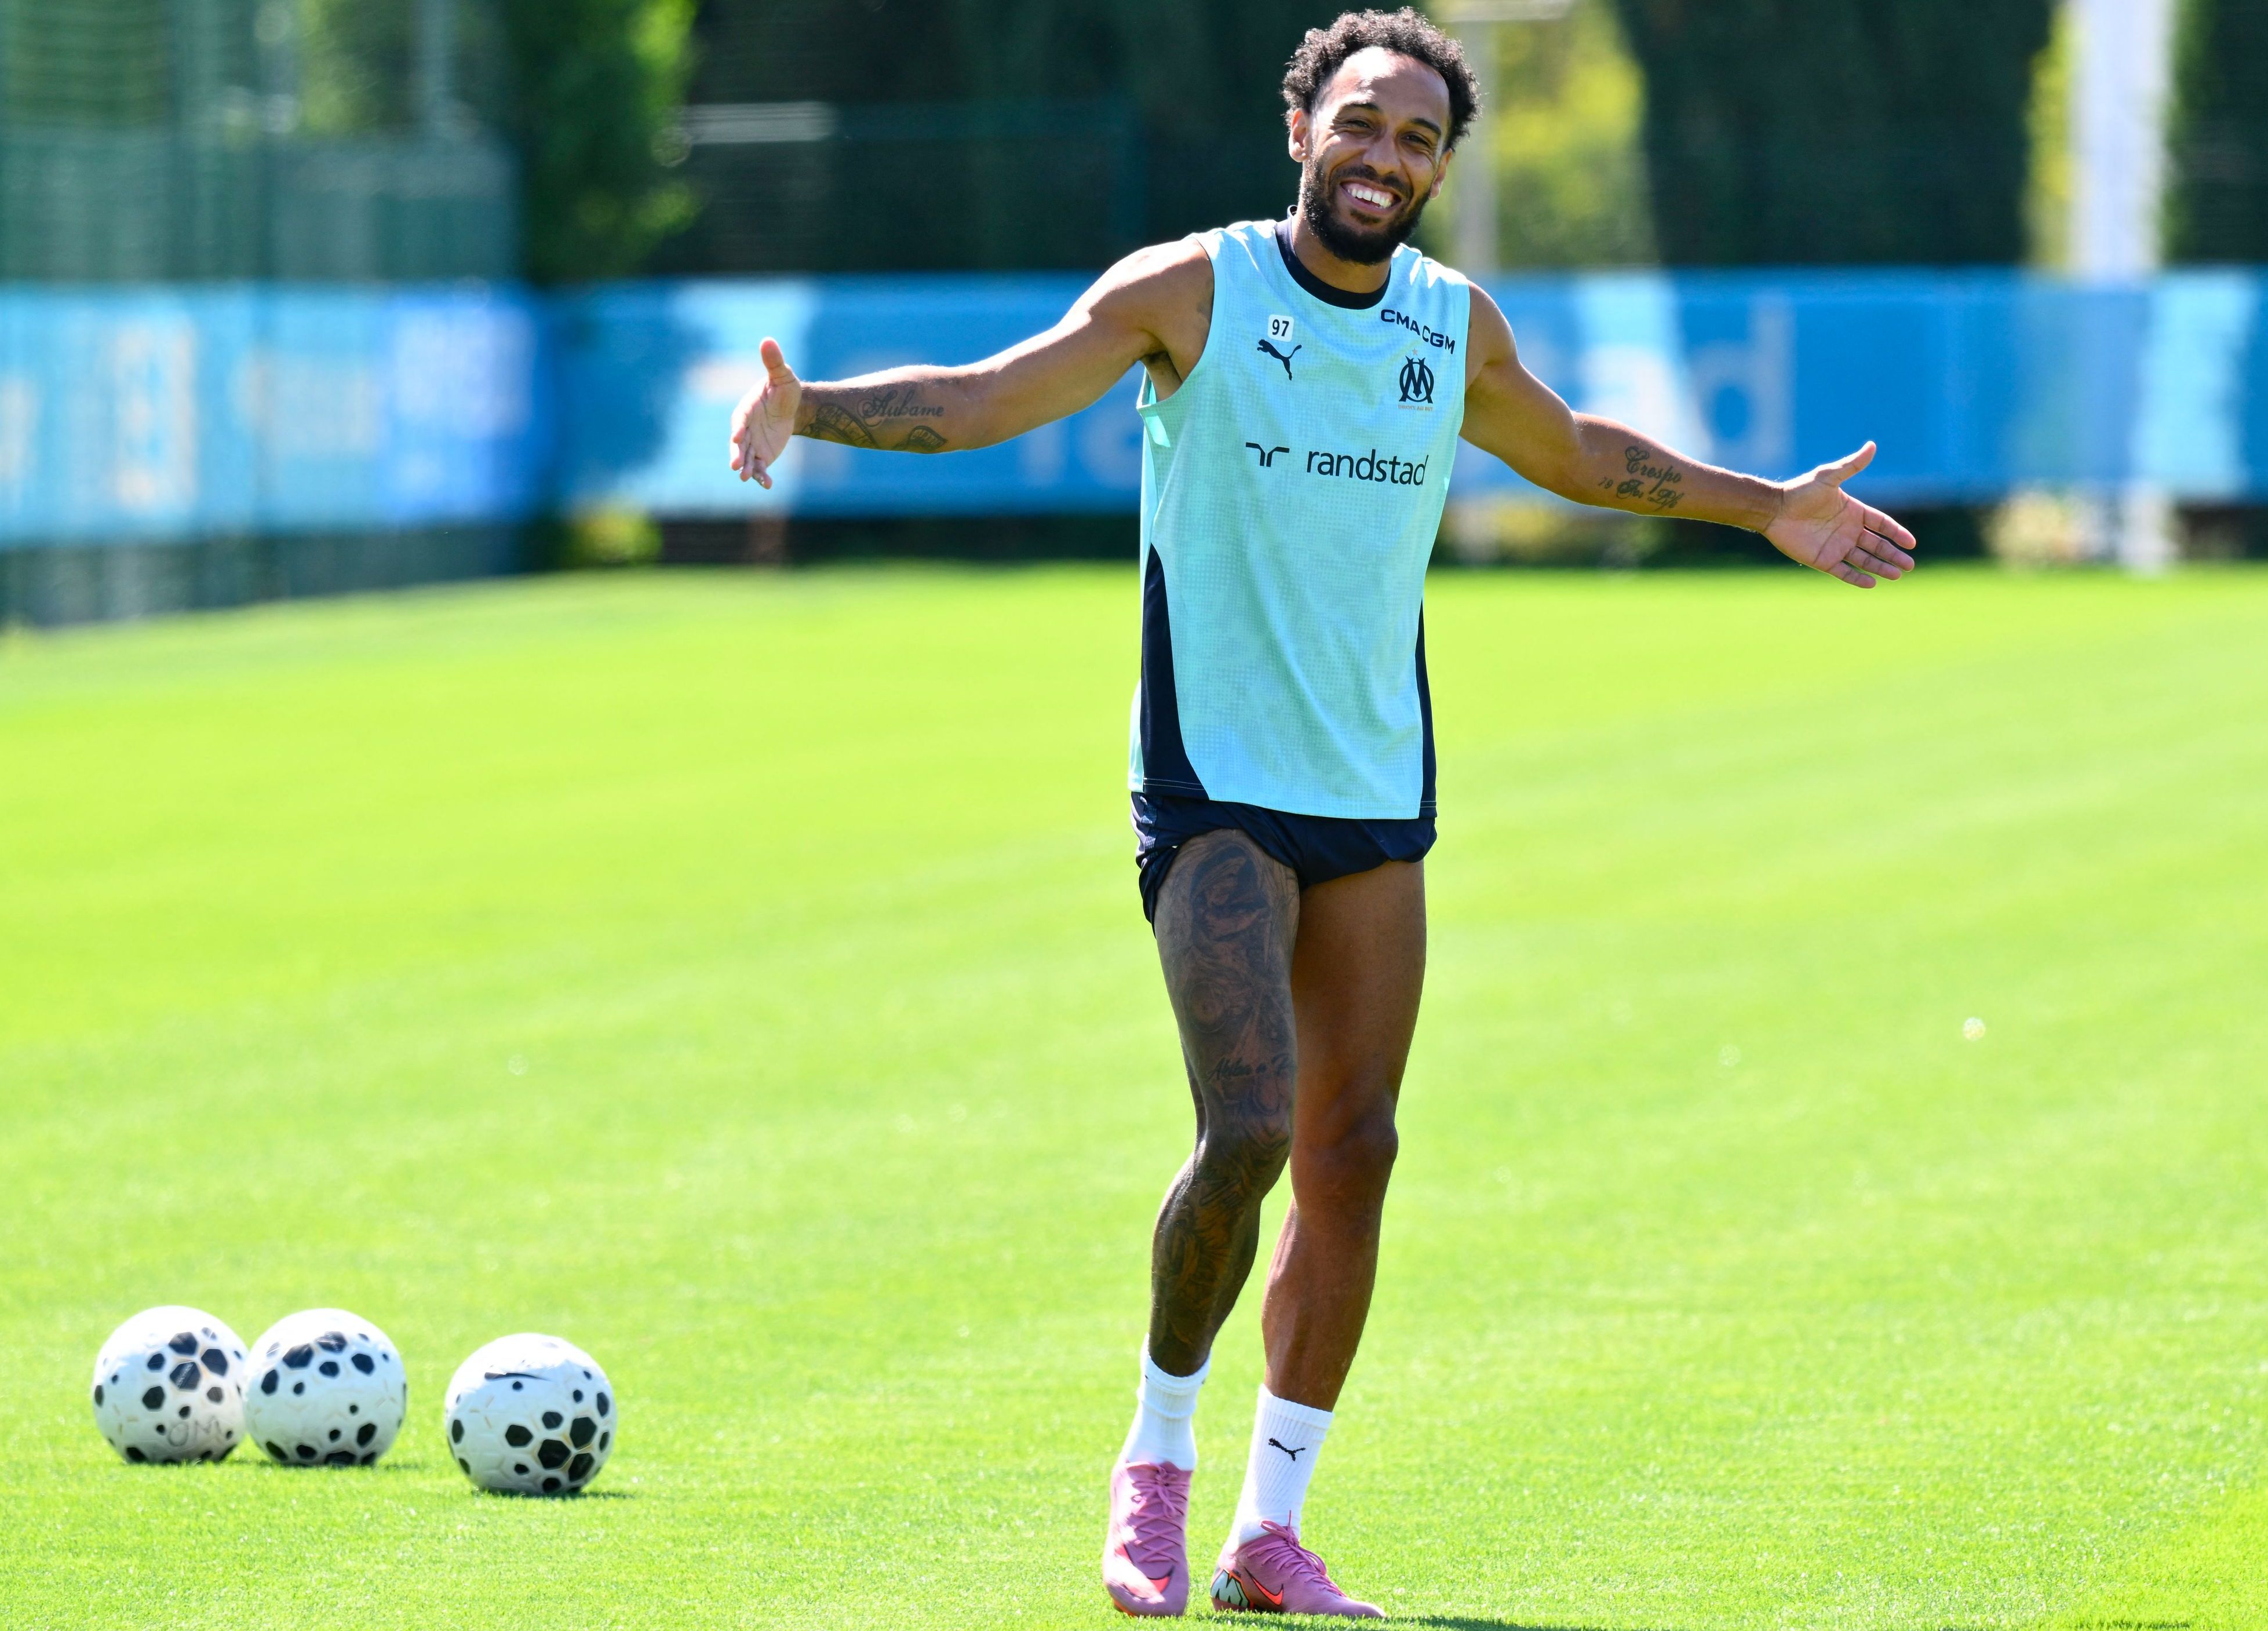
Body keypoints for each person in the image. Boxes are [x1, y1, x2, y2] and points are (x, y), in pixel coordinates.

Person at [726, 9, 1916, 1617]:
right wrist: (816, 411)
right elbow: (998, 395)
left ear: (1439, 166)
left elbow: (1573, 451)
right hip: (1212, 777)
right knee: (1253, 1131)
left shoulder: (1448, 324)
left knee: (1354, 1149)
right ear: (1303, 130)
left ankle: (1267, 1532)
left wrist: (1765, 503)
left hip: (1369, 789)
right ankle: (1152, 1471)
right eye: (1359, 125)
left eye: (1416, 138)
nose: (1383, 158)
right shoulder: (1191, 291)